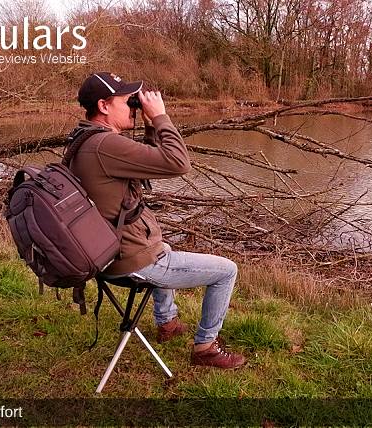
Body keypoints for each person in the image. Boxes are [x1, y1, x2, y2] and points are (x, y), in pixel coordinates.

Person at [70, 72, 246, 369]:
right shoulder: (105, 146)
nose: (134, 106)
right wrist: (162, 118)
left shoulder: (85, 140)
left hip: (107, 255)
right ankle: (205, 347)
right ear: (103, 106)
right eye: (127, 101)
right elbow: (178, 163)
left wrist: (150, 128)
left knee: (161, 245)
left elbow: (144, 166)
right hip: (130, 262)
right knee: (226, 271)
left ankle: (167, 323)